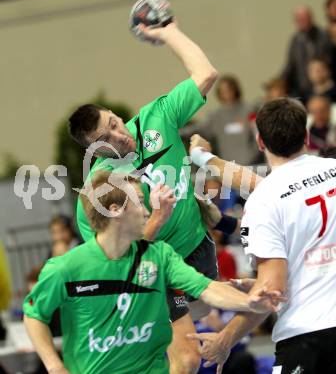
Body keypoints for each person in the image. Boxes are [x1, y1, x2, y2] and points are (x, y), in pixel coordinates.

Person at [68, 19, 220, 373]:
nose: (119, 136)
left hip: (198, 249)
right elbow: (117, 263)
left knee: (191, 341)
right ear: (93, 150)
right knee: (186, 357)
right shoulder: (100, 190)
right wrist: (156, 221)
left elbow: (206, 74)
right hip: (154, 270)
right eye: (105, 139)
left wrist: (168, 32)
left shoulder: (156, 117)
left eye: (115, 123)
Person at [23, 171, 284, 374]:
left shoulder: (159, 255)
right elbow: (34, 314)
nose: (147, 209)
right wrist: (54, 366)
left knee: (188, 359)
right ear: (115, 211)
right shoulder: (66, 268)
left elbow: (205, 287)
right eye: (138, 201)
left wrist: (248, 301)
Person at [188, 98, 336, 373]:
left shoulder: (266, 199)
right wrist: (204, 159)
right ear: (305, 135)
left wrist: (224, 339)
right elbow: (279, 188)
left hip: (306, 336)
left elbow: (272, 292)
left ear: (260, 142)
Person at [181, 75, 259, 165]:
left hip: (252, 164)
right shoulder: (216, 116)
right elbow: (198, 129)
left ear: (235, 89)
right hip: (229, 166)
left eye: (229, 89)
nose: (226, 93)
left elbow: (257, 135)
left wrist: (253, 157)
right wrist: (176, 132)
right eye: (222, 90)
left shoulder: (249, 110)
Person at [281, 6, 331, 100]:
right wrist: (280, 82)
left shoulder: (323, 35)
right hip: (302, 88)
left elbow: (328, 60)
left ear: (311, 18)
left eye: (304, 18)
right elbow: (290, 64)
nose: (301, 21)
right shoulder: (295, 39)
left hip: (321, 87)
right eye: (298, 19)